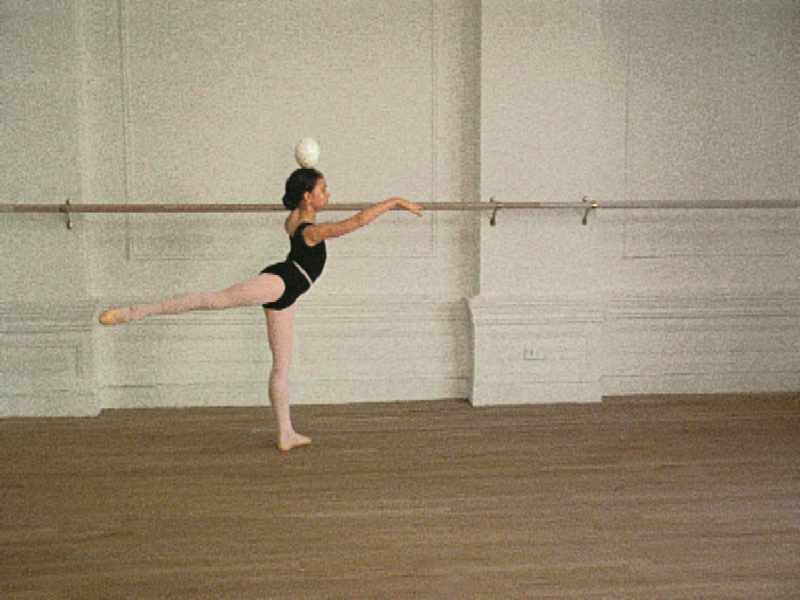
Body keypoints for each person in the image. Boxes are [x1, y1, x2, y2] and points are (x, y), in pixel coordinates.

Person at [99, 168, 423, 451]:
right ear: (308, 197)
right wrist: (394, 201)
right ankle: (135, 311)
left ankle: (286, 434)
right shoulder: (311, 231)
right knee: (212, 300)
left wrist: (306, 171)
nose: (329, 194)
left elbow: (311, 206)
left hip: (288, 296)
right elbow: (357, 221)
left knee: (281, 367)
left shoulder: (296, 219)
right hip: (280, 282)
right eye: (324, 189)